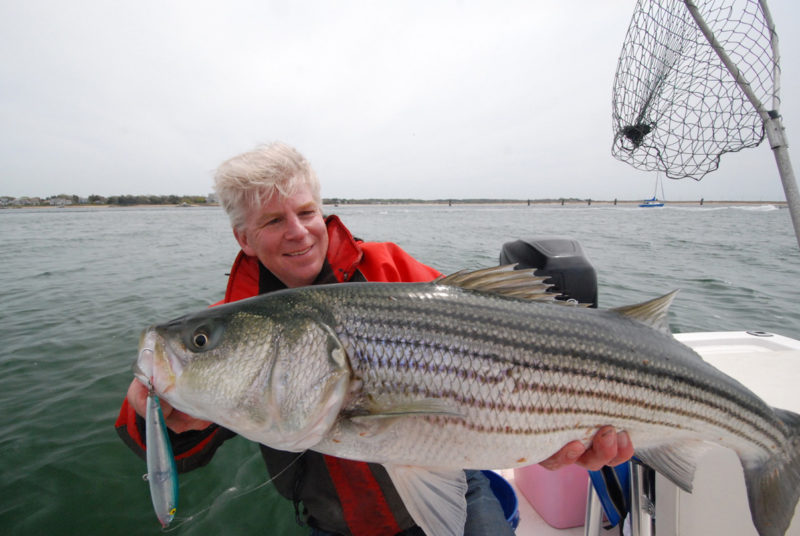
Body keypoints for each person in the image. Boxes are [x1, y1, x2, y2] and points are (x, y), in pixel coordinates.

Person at [116, 142, 634, 535]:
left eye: (306, 212)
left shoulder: (390, 269)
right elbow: (168, 451)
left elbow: (499, 338)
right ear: (244, 239)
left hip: (458, 481)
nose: (298, 232)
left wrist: (540, 437)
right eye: (273, 221)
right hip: (337, 522)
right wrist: (162, 419)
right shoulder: (233, 326)